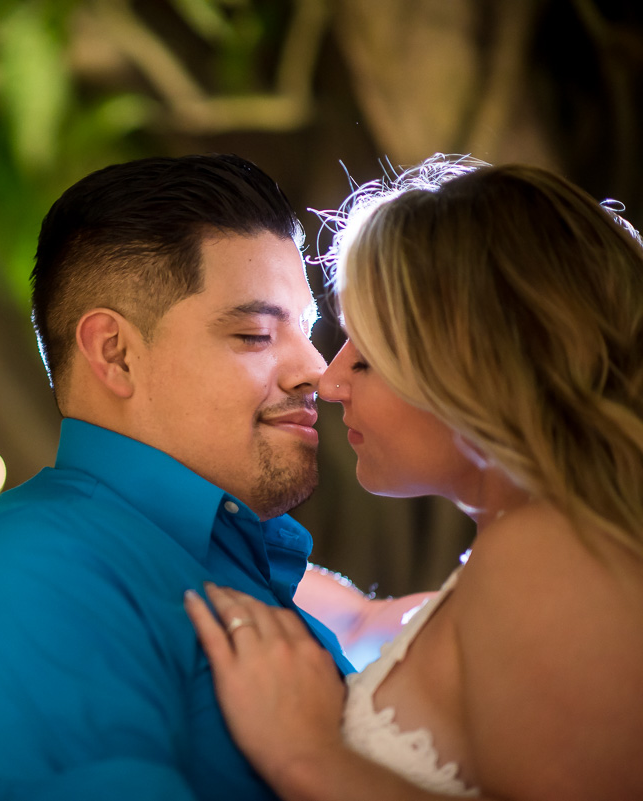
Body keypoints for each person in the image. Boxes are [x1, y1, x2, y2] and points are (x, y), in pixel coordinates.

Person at [0, 154, 420, 800]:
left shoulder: (240, 558)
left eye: (307, 332)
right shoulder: (28, 572)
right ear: (115, 354)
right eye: (256, 334)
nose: (316, 370)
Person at [186, 157, 643, 800]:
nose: (331, 381)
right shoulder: (536, 550)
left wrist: (306, 755)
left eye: (365, 356)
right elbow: (367, 624)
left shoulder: (542, 556)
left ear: (477, 372)